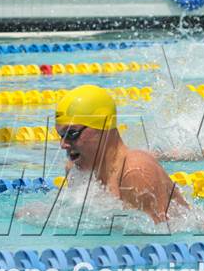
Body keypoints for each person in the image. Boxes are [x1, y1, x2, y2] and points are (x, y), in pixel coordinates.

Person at [55, 85, 189, 224]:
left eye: (72, 133)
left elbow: (161, 239)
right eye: (61, 135)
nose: (63, 144)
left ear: (103, 126)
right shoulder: (76, 169)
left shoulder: (135, 172)